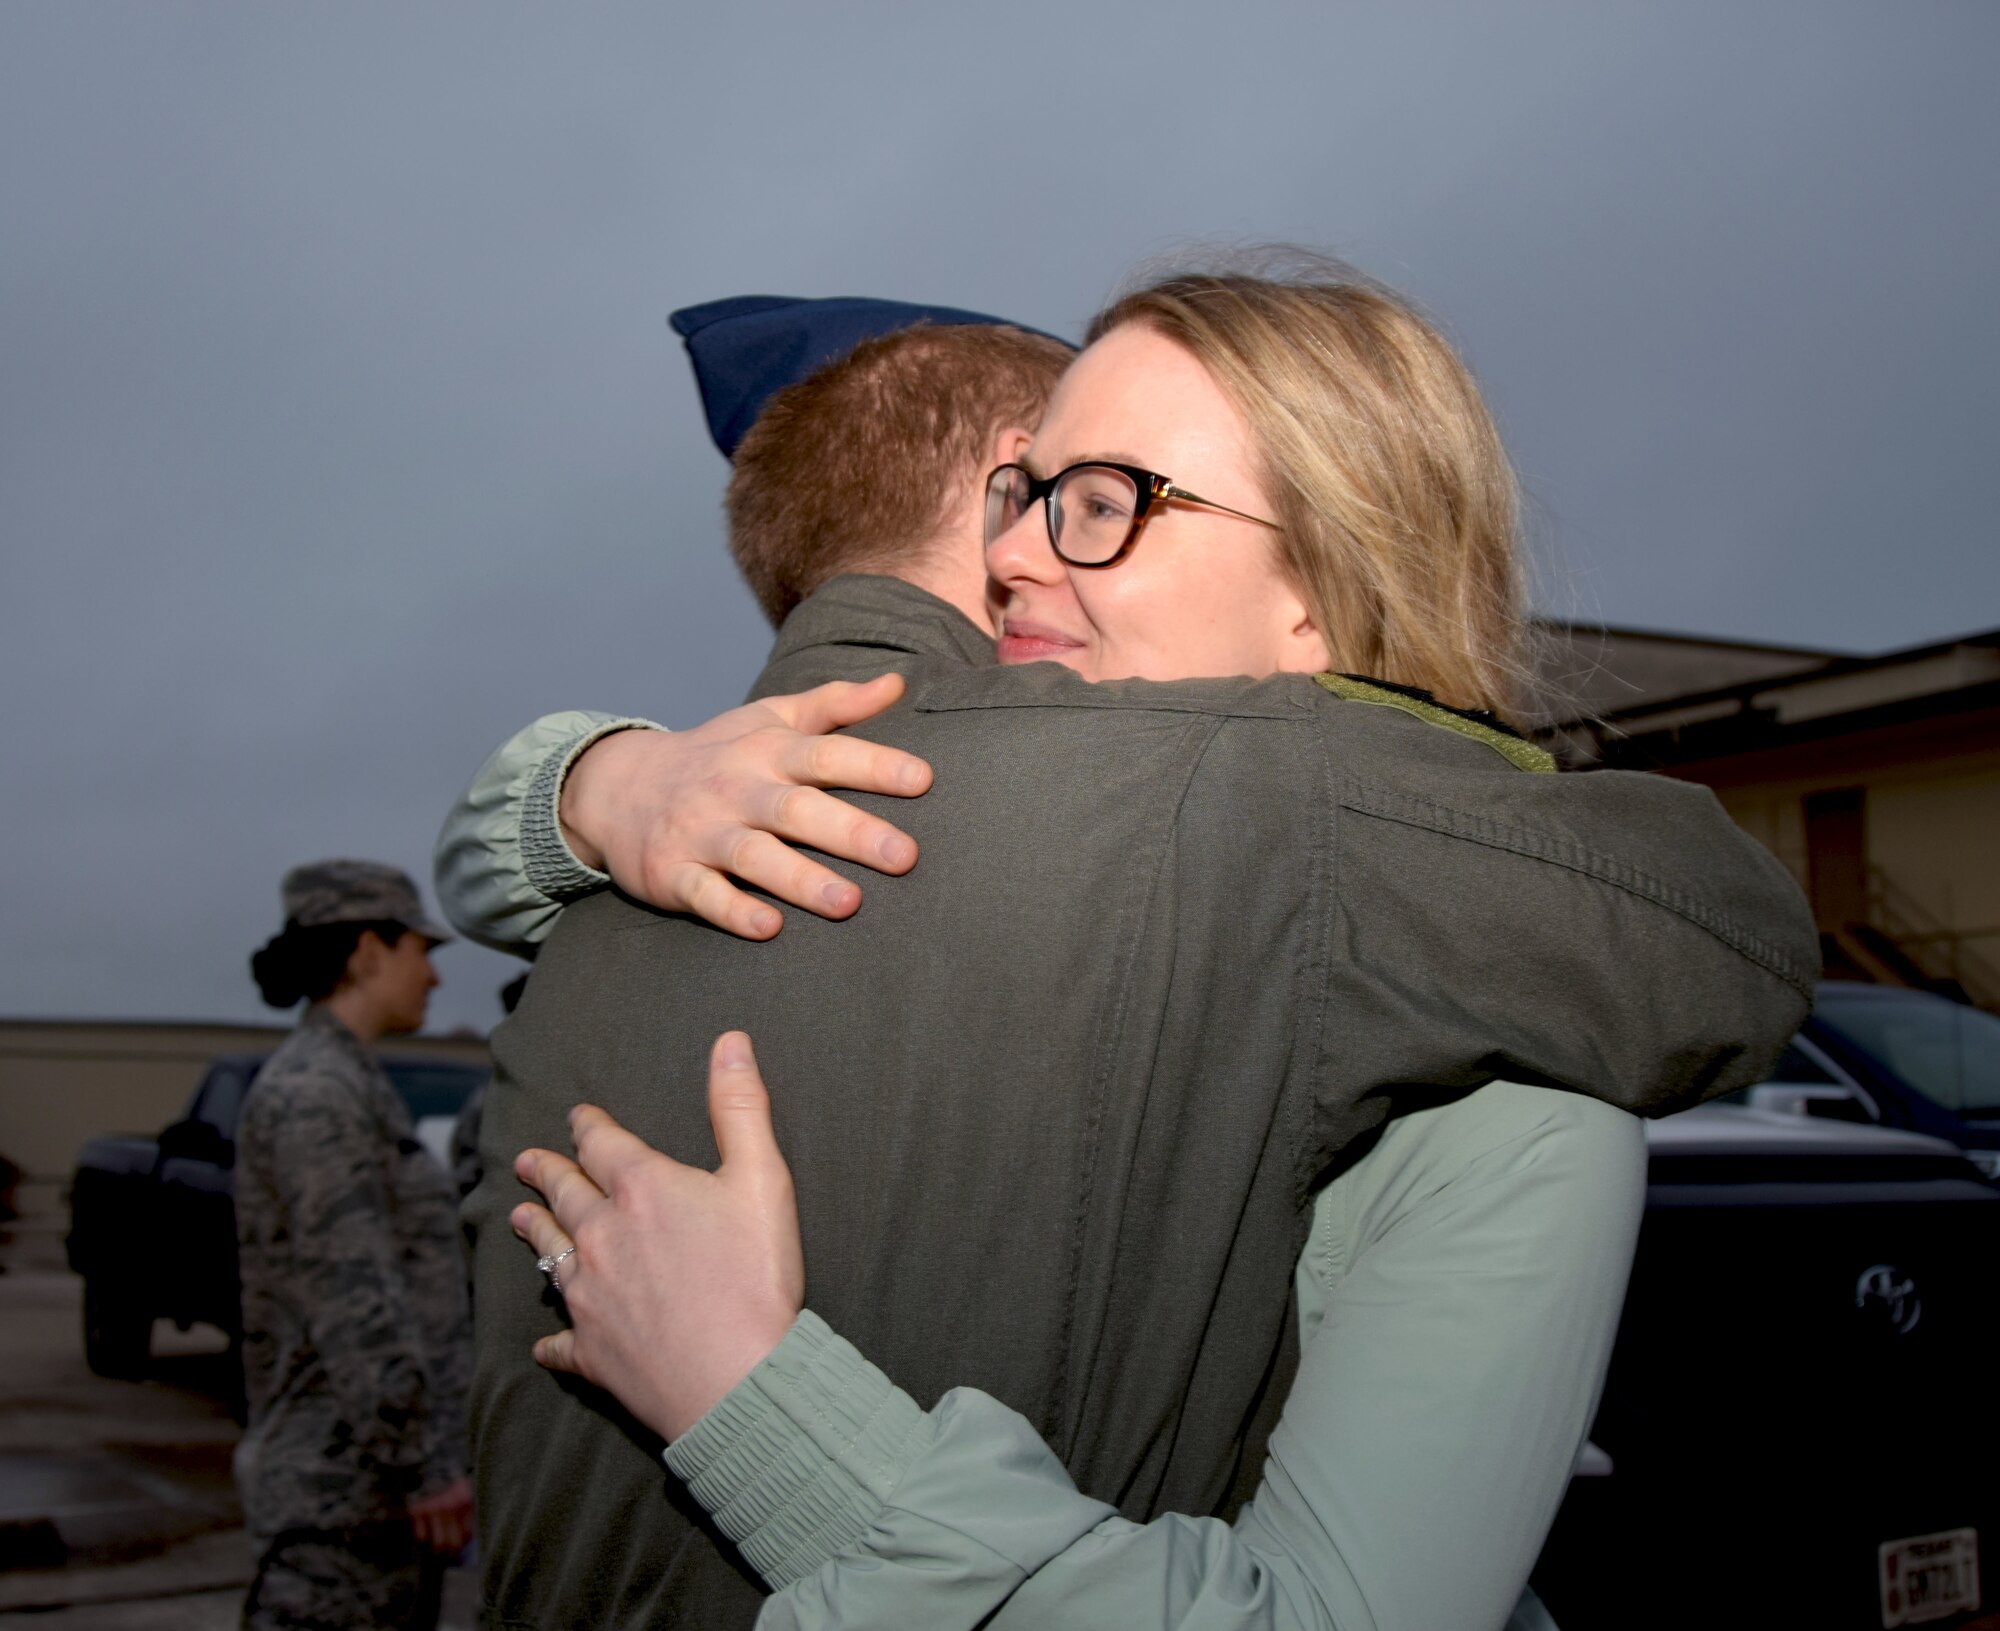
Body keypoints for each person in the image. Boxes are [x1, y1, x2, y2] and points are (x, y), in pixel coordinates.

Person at [444, 272, 1817, 1631]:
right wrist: (592, 783)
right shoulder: (948, 867)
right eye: (1029, 496)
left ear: (1321, 589)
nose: (1014, 556)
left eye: (1105, 503)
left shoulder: (1509, 1089)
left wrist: (763, 1403)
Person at [236, 861, 475, 1631]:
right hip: (341, 1500)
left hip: (371, 1499)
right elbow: (355, 1298)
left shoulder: (352, 1083)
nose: (433, 977)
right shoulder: (316, 1094)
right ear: (369, 949)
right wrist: (425, 1465)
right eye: (421, 949)